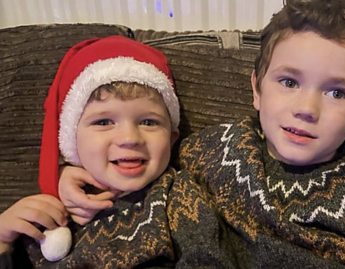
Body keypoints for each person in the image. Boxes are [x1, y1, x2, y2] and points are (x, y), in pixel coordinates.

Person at [57, 0, 345, 268]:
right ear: (256, 89)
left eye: (337, 92)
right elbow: (136, 156)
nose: (307, 109)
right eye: (289, 82)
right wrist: (69, 172)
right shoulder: (209, 149)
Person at [0, 35, 222, 269]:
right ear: (70, 140)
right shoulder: (45, 214)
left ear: (172, 137)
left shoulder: (180, 197)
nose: (129, 139)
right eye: (104, 122)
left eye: (148, 122)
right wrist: (3, 240)